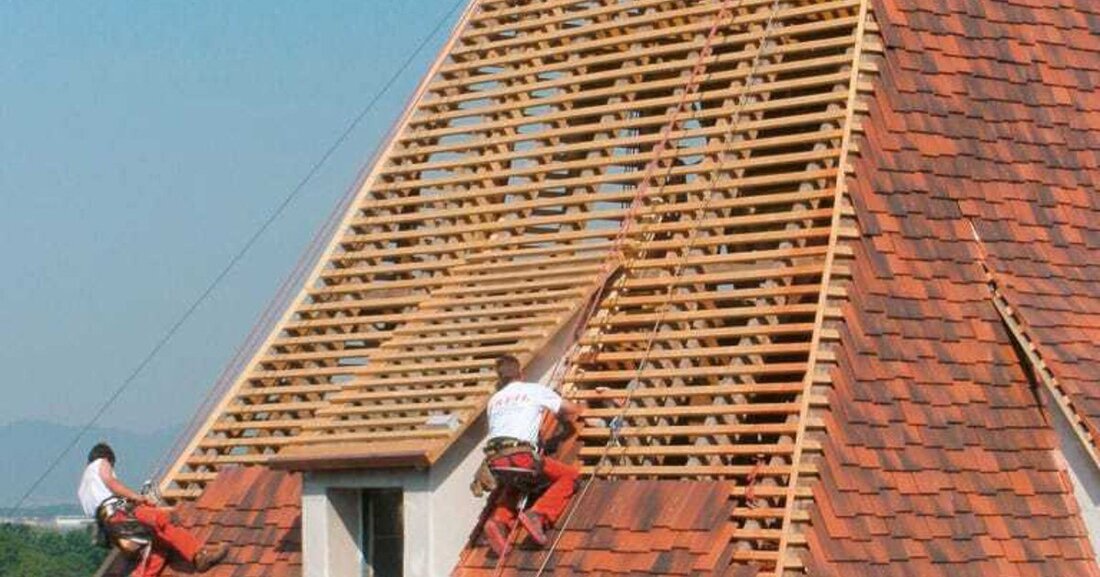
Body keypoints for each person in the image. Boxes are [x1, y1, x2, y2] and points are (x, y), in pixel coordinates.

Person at [480, 355, 581, 556]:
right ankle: (538, 515)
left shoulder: (494, 400)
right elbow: (569, 409)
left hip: (495, 462)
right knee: (569, 476)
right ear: (521, 374)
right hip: (521, 456)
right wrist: (582, 409)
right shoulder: (533, 390)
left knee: (517, 483)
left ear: (500, 380)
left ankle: (498, 522)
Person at [78, 442, 228, 576]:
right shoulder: (101, 462)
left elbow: (103, 507)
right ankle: (199, 556)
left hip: (111, 527)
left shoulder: (83, 488)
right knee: (163, 519)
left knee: (159, 548)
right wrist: (136, 497)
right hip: (119, 513)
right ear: (108, 458)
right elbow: (111, 483)